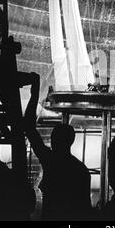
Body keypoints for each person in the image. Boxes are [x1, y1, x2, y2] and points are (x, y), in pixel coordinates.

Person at [24, 73, 92, 220]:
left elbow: (28, 127)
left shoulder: (51, 161)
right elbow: (85, 209)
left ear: (54, 140)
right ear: (71, 141)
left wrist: (34, 94)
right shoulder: (81, 170)